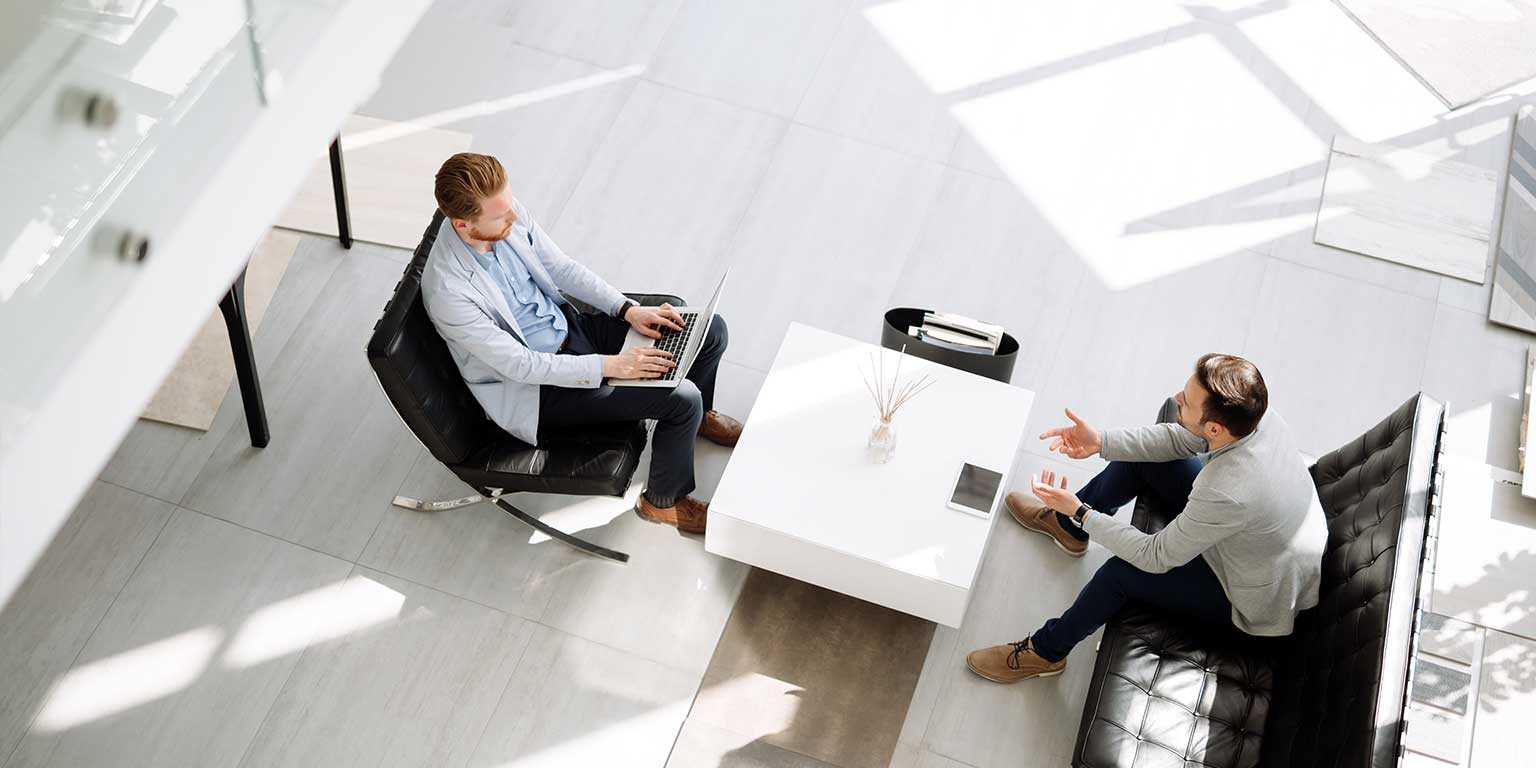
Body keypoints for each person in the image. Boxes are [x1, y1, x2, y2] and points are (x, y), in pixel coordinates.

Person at [420, 152, 741, 535]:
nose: (514, 218)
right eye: (500, 217)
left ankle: (700, 418)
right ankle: (663, 502)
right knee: (680, 398)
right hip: (540, 389)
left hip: (572, 329)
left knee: (710, 330)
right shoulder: (448, 290)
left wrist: (627, 310)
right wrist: (611, 366)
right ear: (463, 224)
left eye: (510, 206)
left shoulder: (502, 210)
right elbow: (521, 365)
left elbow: (560, 268)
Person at [965, 353, 1327, 682]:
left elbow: (1155, 557)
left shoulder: (1227, 489)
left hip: (1251, 596)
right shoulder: (1254, 414)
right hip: (1256, 545)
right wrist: (1100, 442)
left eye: (1186, 400)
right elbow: (1180, 440)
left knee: (1118, 574)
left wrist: (1080, 509)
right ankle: (1066, 528)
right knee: (1144, 458)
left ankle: (1045, 653)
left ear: (1215, 428)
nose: (1176, 398)